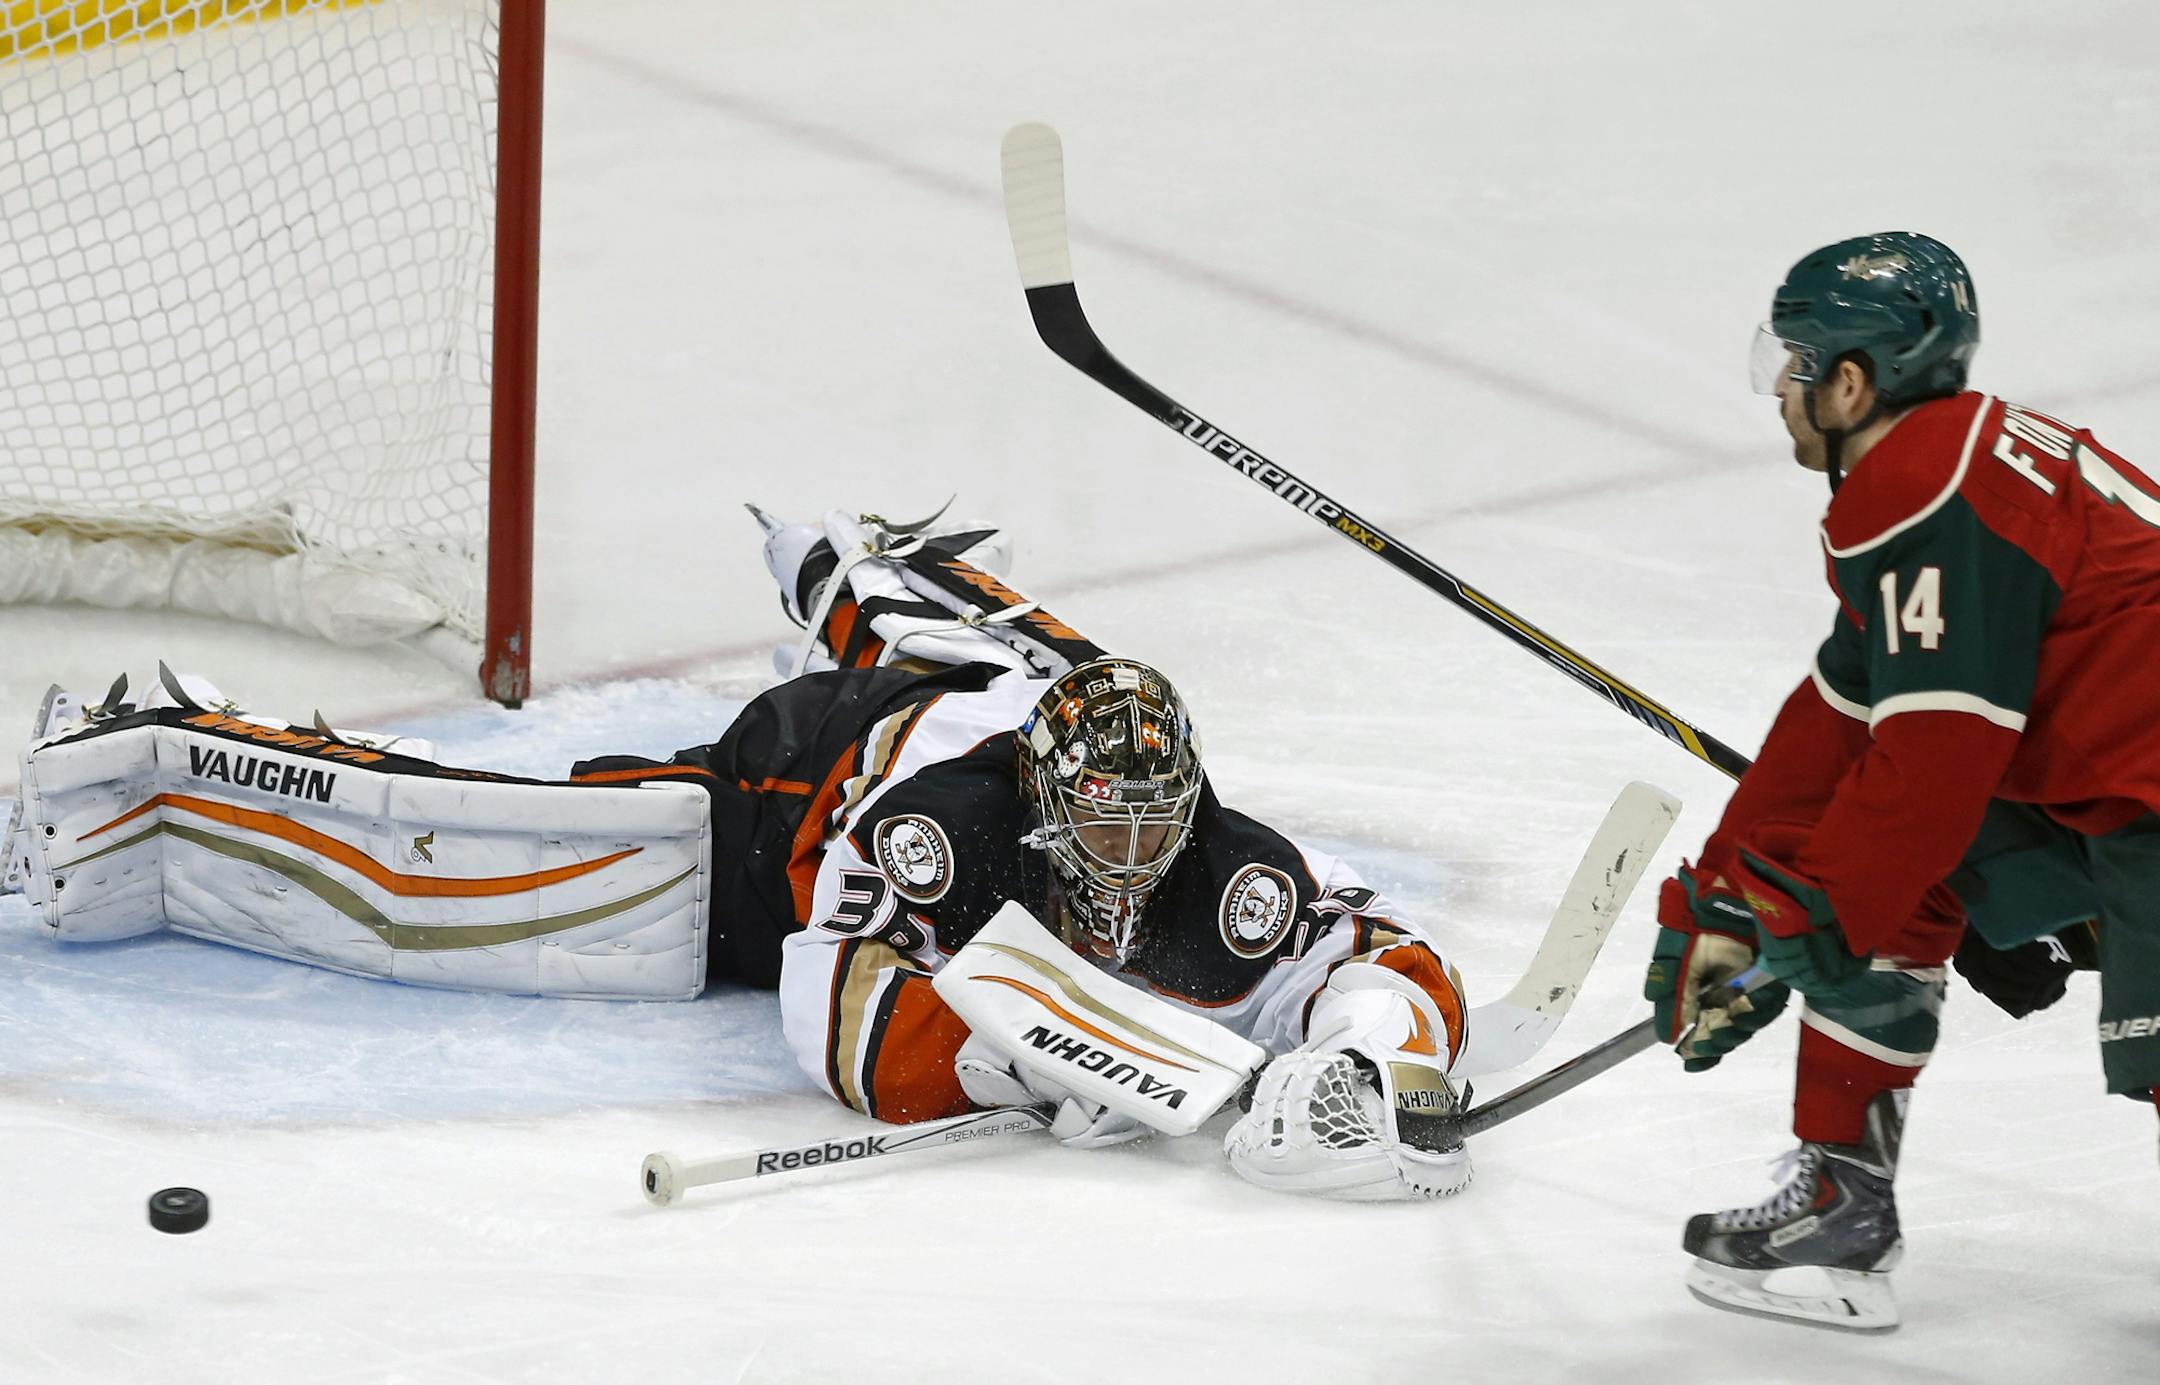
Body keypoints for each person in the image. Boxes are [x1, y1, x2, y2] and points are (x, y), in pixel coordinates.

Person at [2, 507, 1477, 1200]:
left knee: (1026, 669)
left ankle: (878, 572)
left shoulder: (1216, 854)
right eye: (1106, 817)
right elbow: (823, 984)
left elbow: (1387, 962)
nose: (1137, 849)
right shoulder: (933, 838)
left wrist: (1367, 1066)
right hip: (800, 784)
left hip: (997, 700)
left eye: (1158, 816)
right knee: (526, 861)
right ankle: (173, 738)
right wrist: (1008, 1058)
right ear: (1043, 804)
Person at [1643, 231, 2160, 1331]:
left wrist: (1818, 908)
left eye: (1796, 362)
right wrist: (1738, 890)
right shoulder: (1940, 464)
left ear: (1850, 379)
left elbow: (1937, 756)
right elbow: (1841, 711)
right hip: (2121, 786)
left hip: (2146, 793)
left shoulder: (1929, 489)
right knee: (1874, 888)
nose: (1781, 386)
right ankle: (1843, 1202)